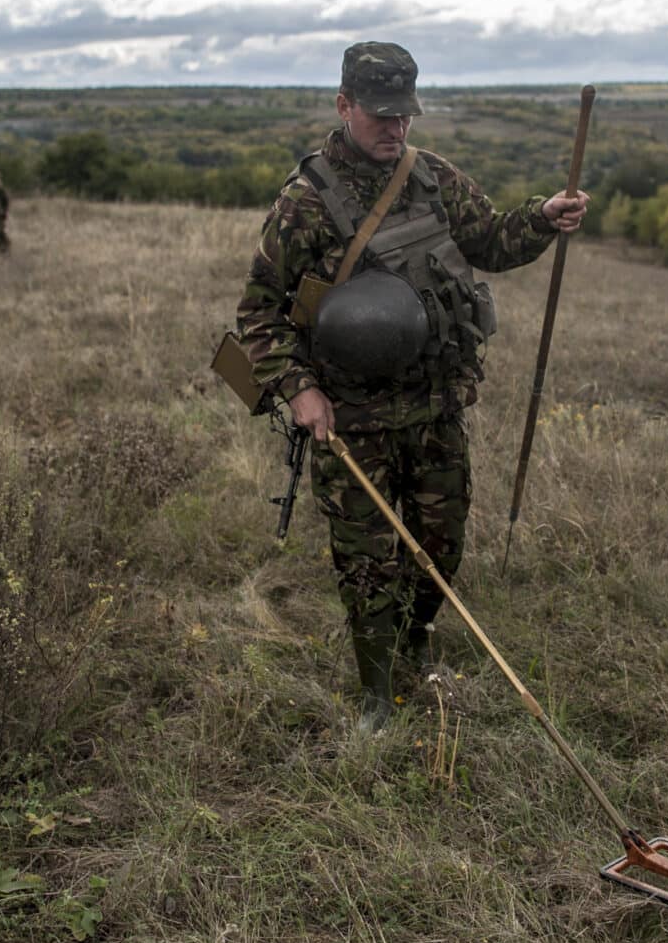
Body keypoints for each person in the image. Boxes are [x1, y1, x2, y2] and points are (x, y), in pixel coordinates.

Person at [234, 42, 588, 731]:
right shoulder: (305, 200)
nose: (395, 128)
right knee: (367, 559)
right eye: (380, 114)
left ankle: (415, 633)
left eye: (405, 115)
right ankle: (376, 690)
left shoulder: (432, 178)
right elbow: (258, 312)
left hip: (435, 405)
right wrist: (300, 389)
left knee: (441, 539)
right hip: (352, 413)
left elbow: (489, 239)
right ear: (344, 106)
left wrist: (542, 217)